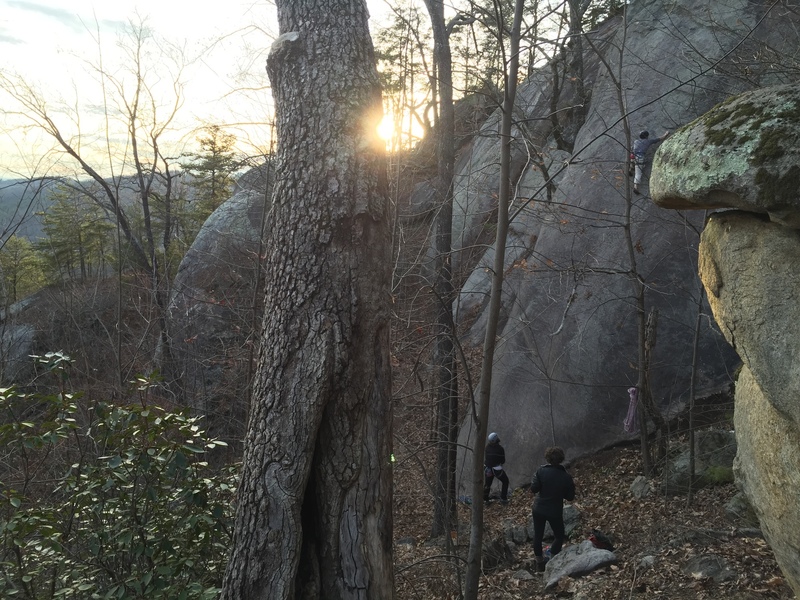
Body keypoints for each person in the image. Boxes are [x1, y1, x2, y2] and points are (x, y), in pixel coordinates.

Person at [530, 446, 575, 572]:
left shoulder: (541, 471)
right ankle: (553, 559)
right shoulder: (566, 477)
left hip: (538, 509)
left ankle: (539, 563)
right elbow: (570, 497)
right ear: (561, 459)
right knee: (559, 536)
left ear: (548, 458)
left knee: (537, 536)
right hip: (554, 511)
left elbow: (534, 489)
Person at [632, 130, 670, 194]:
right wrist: (666, 134)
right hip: (641, 158)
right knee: (638, 173)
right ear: (647, 136)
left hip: (634, 157)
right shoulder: (648, 141)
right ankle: (635, 187)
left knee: (635, 163)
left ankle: (631, 166)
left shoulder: (636, 142)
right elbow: (659, 139)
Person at [483, 432, 510, 504]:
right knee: (505, 481)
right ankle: (503, 499)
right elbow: (502, 461)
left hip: (488, 468)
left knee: (487, 484)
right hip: (497, 469)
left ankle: (485, 499)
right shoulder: (500, 449)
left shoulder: (487, 448)